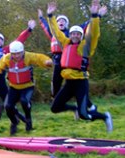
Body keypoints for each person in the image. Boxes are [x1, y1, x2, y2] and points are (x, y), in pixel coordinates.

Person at [47, 1, 113, 132]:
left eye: (78, 34)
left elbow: (93, 33)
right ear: (70, 35)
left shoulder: (85, 47)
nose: (75, 36)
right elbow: (56, 31)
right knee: (55, 108)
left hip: (81, 83)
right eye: (73, 34)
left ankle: (104, 117)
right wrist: (50, 16)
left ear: (81, 36)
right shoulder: (65, 44)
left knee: (84, 115)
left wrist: (95, 16)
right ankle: (75, 109)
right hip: (69, 83)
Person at [0, 41, 52, 135]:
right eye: (14, 54)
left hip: (27, 86)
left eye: (18, 53)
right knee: (8, 106)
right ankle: (14, 122)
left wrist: (46, 62)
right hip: (14, 87)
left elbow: (39, 58)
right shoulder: (7, 58)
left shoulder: (28, 56)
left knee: (24, 101)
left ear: (22, 51)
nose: (16, 56)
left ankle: (28, 119)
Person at [0, 10, 36, 121]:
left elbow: (20, 40)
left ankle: (22, 119)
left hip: (0, 81)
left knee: (10, 104)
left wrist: (29, 29)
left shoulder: (7, 50)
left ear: (3, 42)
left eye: (0, 39)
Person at [38, 9, 97, 116]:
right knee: (56, 83)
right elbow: (47, 26)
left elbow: (87, 27)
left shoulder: (72, 34)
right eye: (59, 20)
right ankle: (57, 100)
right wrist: (43, 17)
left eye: (63, 21)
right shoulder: (55, 34)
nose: (61, 22)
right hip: (59, 61)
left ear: (66, 24)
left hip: (73, 62)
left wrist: (96, 16)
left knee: (77, 87)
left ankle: (88, 106)